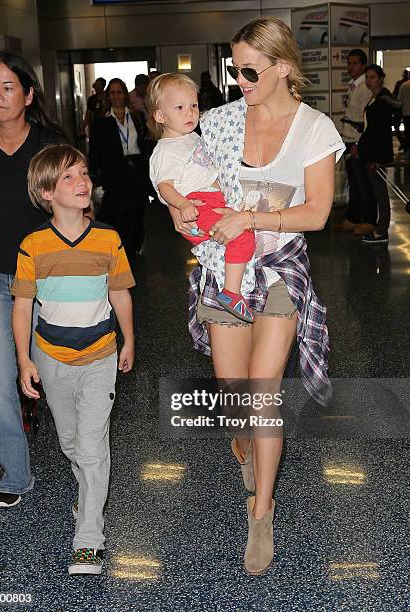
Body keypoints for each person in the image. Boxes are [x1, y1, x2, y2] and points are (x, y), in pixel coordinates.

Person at [167, 17, 344, 575]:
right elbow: (180, 174)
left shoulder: (315, 129)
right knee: (233, 393)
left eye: (249, 69)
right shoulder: (218, 122)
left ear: (283, 68)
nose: (239, 78)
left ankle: (262, 512)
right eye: (234, 68)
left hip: (278, 273)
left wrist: (253, 215)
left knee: (264, 395)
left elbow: (316, 212)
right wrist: (180, 212)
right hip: (224, 271)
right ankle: (243, 440)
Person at [11, 144, 135, 575]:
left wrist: (129, 340)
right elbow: (24, 306)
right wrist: (25, 360)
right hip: (51, 358)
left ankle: (89, 536)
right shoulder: (33, 246)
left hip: (101, 353)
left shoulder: (108, 239)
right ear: (46, 192)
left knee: (91, 447)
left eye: (83, 173)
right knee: (70, 444)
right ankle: (87, 497)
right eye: (68, 177)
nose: (82, 182)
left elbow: (119, 292)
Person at [0, 51, 66, 508]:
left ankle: (81, 458)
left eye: (8, 86)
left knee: (58, 373)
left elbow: (75, 208)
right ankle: (15, 473)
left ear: (28, 93)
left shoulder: (50, 145)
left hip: (43, 278)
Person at [148, 73, 255, 322]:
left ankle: (232, 285)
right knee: (241, 235)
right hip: (197, 204)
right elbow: (164, 186)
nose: (190, 113)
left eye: (194, 106)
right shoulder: (166, 150)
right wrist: (182, 204)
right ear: (160, 116)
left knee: (243, 234)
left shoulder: (192, 137)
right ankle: (231, 292)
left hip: (210, 199)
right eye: (180, 108)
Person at [89, 77, 149, 256]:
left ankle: (135, 247)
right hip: (114, 173)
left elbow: (144, 143)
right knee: (117, 214)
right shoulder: (101, 122)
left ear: (125, 94)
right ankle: (121, 249)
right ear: (108, 96)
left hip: (136, 171)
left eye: (119, 92)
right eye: (112, 92)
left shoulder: (137, 116)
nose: (116, 96)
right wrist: (94, 178)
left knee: (137, 211)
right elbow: (95, 152)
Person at [357, 65, 401, 244]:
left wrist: (378, 158)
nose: (369, 81)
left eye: (373, 77)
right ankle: (380, 228)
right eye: (367, 77)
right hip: (371, 153)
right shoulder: (375, 97)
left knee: (381, 194)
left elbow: (381, 132)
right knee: (378, 192)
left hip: (376, 155)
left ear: (381, 78)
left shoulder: (383, 100)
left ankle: (382, 231)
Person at [335, 49, 374, 234]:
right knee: (353, 182)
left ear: (363, 65)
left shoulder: (365, 87)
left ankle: (369, 220)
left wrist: (358, 143)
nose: (351, 67)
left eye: (355, 63)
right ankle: (353, 218)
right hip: (349, 138)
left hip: (358, 141)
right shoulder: (353, 85)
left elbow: (364, 120)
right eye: (349, 63)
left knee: (363, 183)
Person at [392, 69, 409, 150]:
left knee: (397, 127)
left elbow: (397, 96)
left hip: (400, 109)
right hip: (406, 110)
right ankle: (405, 144)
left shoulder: (401, 84)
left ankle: (404, 143)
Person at [398, 76, 410, 154]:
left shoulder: (404, 85)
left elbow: (400, 99)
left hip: (406, 112)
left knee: (408, 131)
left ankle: (407, 147)